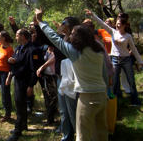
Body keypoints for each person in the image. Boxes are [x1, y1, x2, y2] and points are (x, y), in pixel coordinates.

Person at [35, 8, 108, 141]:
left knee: (82, 134)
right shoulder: (98, 50)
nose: (72, 35)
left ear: (79, 37)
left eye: (74, 33)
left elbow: (54, 38)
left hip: (87, 98)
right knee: (101, 132)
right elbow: (105, 74)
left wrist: (40, 21)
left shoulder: (75, 53)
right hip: (102, 95)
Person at [86, 9, 143, 105]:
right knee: (115, 81)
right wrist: (93, 15)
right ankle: (117, 101)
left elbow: (133, 49)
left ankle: (135, 100)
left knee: (131, 80)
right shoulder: (112, 32)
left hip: (126, 59)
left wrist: (140, 61)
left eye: (119, 24)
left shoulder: (128, 36)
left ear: (124, 25)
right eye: (117, 23)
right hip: (115, 59)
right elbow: (102, 24)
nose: (117, 25)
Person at [6, 29, 39, 141]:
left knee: (20, 106)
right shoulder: (19, 48)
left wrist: (31, 85)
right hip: (18, 80)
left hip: (25, 81)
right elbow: (16, 61)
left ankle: (17, 131)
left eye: (17, 35)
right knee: (20, 104)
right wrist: (11, 66)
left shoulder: (32, 50)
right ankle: (23, 125)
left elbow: (34, 69)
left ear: (23, 36)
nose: (15, 37)